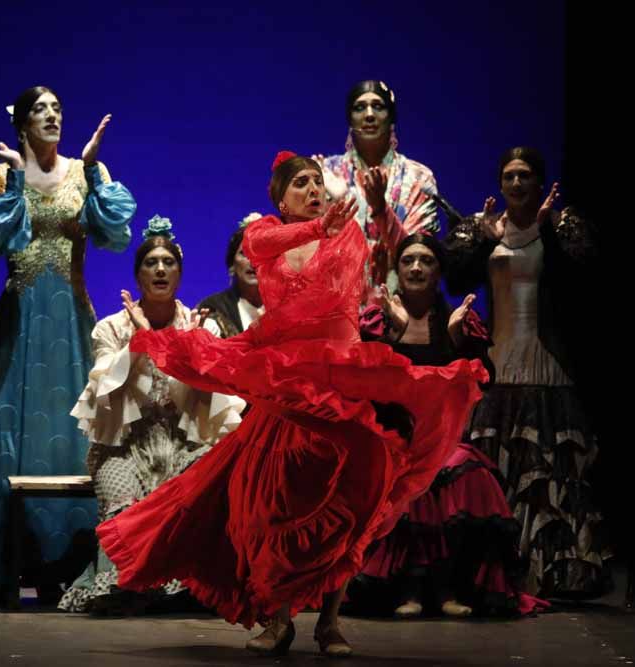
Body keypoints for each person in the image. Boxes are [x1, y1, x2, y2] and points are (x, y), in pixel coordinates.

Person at [96, 151, 488, 657]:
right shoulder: (265, 233)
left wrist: (359, 218)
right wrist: (317, 225)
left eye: (317, 182)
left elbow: (370, 269)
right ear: (281, 197)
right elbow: (268, 242)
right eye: (300, 183)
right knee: (270, 505)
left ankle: (330, 622)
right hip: (286, 391)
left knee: (361, 495)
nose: (313, 189)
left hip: (340, 388)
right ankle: (279, 620)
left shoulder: (345, 232)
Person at [0, 86, 135, 599]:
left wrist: (90, 170)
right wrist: (19, 173)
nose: (52, 117)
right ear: (21, 123)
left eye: (58, 109)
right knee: (3, 431)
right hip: (22, 319)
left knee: (70, 434)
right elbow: (11, 237)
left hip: (70, 318)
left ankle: (63, 559)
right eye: (40, 110)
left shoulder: (89, 172)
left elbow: (114, 234)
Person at [443, 146, 609, 598]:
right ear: (500, 183)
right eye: (509, 176)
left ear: (539, 183)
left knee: (545, 476)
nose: (516, 184)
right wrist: (482, 237)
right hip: (498, 364)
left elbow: (587, 272)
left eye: (525, 176)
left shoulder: (558, 224)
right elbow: (453, 279)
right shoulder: (485, 226)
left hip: (545, 362)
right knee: (495, 472)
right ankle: (494, 576)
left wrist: (551, 231)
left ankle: (549, 575)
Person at [58, 217, 245, 614]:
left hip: (182, 443)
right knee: (122, 499)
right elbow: (106, 393)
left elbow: (210, 401)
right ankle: (123, 583)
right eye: (150, 263)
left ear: (179, 273)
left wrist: (190, 348)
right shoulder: (110, 328)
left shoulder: (200, 325)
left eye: (168, 263)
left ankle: (186, 584)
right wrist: (142, 341)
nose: (160, 270)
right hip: (124, 447)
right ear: (138, 274)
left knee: (200, 487)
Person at [353, 233, 545, 617]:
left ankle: (448, 590)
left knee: (467, 477)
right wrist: (392, 333)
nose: (416, 268)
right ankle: (408, 590)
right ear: (397, 269)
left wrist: (459, 343)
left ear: (439, 270)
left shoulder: (457, 321)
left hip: (442, 438)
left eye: (426, 260)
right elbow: (362, 380)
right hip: (393, 437)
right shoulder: (380, 319)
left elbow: (484, 379)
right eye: (407, 260)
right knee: (407, 478)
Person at [317, 80, 438, 291]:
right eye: (360, 107)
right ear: (349, 119)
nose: (369, 115)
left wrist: (381, 210)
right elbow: (310, 249)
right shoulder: (326, 172)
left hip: (403, 305)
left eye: (378, 106)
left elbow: (420, 254)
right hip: (337, 305)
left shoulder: (418, 177)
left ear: (391, 118)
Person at [198, 213, 264, 338]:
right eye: (244, 253)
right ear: (232, 265)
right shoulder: (213, 308)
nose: (253, 261)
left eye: (260, 252)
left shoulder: (284, 308)